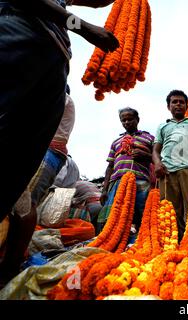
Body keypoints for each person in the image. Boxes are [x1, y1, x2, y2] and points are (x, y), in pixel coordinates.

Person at [0, 0, 118, 286]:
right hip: (20, 30)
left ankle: (5, 275)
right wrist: (83, 27)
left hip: (54, 64)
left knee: (17, 177)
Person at [97, 107, 154, 235]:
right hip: (117, 182)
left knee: (141, 213)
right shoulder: (116, 142)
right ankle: (116, 241)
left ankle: (141, 241)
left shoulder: (149, 138)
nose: (127, 122)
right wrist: (105, 189)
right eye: (124, 120)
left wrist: (145, 155)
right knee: (116, 216)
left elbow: (158, 159)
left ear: (137, 119)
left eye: (130, 119)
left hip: (140, 181)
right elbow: (110, 166)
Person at [153, 90, 188, 242]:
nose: (178, 104)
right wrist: (157, 163)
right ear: (168, 106)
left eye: (181, 102)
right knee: (170, 211)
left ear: (187, 106)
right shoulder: (162, 127)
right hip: (168, 171)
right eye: (174, 102)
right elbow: (155, 150)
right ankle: (174, 243)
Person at [28, 92, 77, 207]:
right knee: (26, 202)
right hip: (51, 152)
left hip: (49, 152)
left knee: (26, 202)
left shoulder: (63, 96)